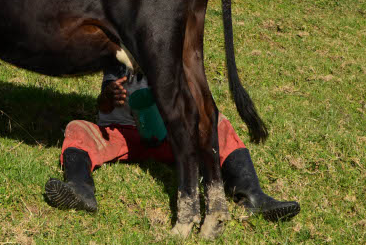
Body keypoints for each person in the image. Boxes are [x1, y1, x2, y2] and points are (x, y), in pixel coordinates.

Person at [44, 65, 300, 222]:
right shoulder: (116, 53)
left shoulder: (171, 50)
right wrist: (108, 96)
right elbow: (102, 106)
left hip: (169, 136)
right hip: (121, 134)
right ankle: (80, 190)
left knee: (218, 124)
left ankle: (253, 196)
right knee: (78, 128)